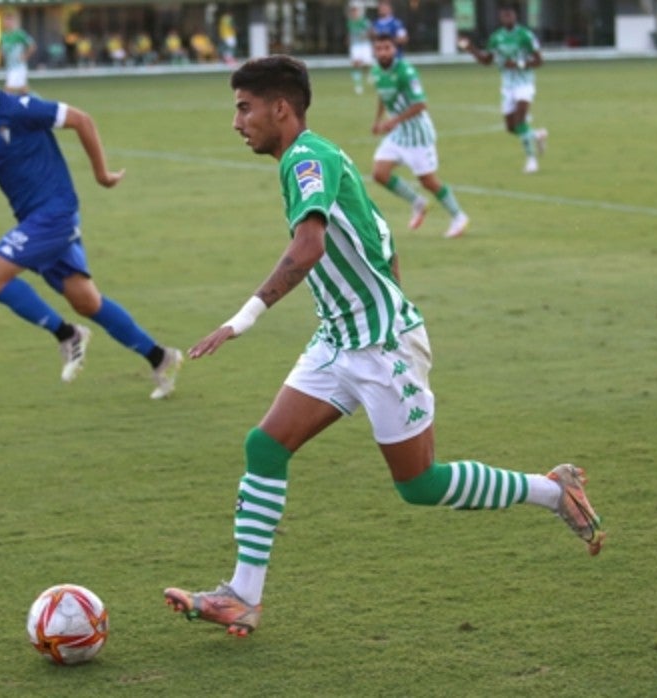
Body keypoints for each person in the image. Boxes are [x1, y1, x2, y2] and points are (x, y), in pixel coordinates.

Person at [162, 55, 604, 638]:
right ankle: (243, 597)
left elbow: (308, 247)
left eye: (245, 109)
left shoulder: (306, 159)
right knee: (265, 447)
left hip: (381, 347)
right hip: (338, 340)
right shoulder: (318, 157)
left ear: (280, 108)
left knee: (420, 485)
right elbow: (382, 238)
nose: (237, 122)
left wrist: (242, 319)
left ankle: (552, 491)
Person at [0, 47, 183, 398]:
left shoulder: (21, 108)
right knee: (87, 302)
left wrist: (101, 174)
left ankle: (67, 334)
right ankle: (160, 357)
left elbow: (82, 120)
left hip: (56, 212)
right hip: (32, 220)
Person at [369, 34, 469, 239]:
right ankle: (418, 202)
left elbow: (421, 104)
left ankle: (458, 216)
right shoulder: (376, 71)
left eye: (387, 48)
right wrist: (378, 120)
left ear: (394, 49)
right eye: (379, 49)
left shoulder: (406, 72)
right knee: (379, 173)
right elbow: (382, 95)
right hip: (399, 134)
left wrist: (394, 121)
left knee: (428, 181)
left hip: (418, 136)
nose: (383, 53)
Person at [460, 4, 549, 174]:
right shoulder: (496, 37)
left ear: (515, 16)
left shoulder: (525, 35)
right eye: (504, 15)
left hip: (524, 84)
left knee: (520, 121)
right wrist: (471, 49)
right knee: (511, 127)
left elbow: (539, 60)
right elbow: (487, 61)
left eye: (510, 15)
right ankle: (537, 135)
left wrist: (519, 64)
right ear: (500, 18)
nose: (507, 18)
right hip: (507, 86)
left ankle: (531, 160)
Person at [0, 13, 36, 95]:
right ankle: (34, 100)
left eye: (9, 21)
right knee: (23, 90)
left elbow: (32, 46)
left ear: (14, 22)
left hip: (19, 66)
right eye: (6, 21)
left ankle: (6, 103)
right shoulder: (3, 36)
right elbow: (2, 48)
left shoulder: (19, 34)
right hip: (10, 66)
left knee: (8, 90)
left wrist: (25, 56)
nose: (7, 23)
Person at [346, 3, 372, 95]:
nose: (354, 12)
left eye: (355, 10)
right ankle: (358, 85)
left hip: (365, 45)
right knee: (356, 64)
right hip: (355, 45)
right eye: (353, 10)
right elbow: (349, 33)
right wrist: (348, 40)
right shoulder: (350, 22)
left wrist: (365, 35)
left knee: (367, 64)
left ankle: (368, 74)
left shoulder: (364, 21)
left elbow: (370, 32)